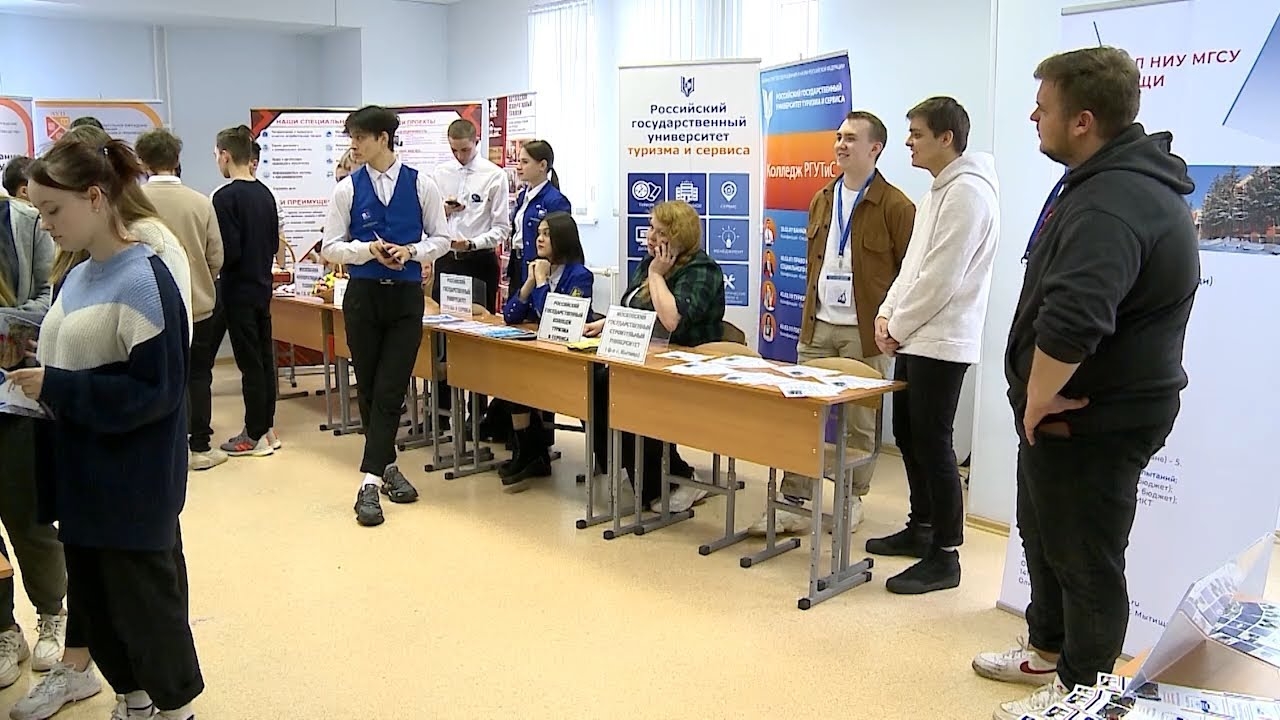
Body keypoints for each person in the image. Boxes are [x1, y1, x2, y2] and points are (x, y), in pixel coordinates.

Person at [978, 47, 1199, 720]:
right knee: (1045, 537)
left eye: (1042, 107)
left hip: (1094, 416)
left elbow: (1074, 319)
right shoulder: (1097, 181)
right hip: (1063, 415)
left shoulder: (1114, 200)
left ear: (1082, 121)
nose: (1032, 117)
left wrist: (1039, 397)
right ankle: (1046, 650)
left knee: (1085, 560)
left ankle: (1081, 694)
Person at [8, 134, 203, 720]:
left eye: (53, 210)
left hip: (133, 482)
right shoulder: (77, 275)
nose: (45, 226)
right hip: (82, 475)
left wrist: (58, 386)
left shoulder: (145, 278)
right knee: (98, 600)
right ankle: (133, 699)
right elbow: (74, 353)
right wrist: (33, 367)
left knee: (146, 605)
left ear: (95, 197)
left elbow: (157, 391)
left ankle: (176, 709)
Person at [747, 110, 916, 537]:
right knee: (803, 412)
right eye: (839, 137)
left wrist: (894, 325)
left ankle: (850, 498)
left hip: (865, 333)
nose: (841, 144)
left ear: (875, 148)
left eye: (851, 138)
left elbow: (909, 274)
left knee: (859, 421)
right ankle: (793, 500)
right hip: (818, 325)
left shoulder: (897, 206)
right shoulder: (823, 197)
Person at [868, 97, 1000, 595]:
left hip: (942, 341)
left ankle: (945, 555)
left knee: (934, 443)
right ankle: (920, 526)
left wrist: (897, 325)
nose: (908, 142)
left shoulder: (968, 193)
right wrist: (886, 314)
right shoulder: (935, 193)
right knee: (907, 435)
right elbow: (912, 269)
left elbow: (942, 278)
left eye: (917, 133)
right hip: (915, 335)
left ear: (947, 138)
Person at [319, 105, 452, 528]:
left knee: (392, 386)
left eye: (360, 137)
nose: (354, 145)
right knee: (370, 386)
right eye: (351, 138)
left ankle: (369, 483)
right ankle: (388, 467)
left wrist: (411, 251)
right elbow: (330, 246)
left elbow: (442, 238)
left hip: (405, 299)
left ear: (383, 138)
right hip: (363, 297)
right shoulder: (346, 189)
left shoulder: (422, 184)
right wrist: (366, 250)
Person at [585, 200, 724, 513]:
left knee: (622, 388)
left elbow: (671, 320)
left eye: (660, 232)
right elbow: (637, 311)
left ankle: (674, 480)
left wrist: (657, 275)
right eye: (651, 228)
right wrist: (606, 323)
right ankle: (629, 464)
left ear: (678, 236)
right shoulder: (649, 263)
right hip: (646, 358)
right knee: (594, 380)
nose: (650, 236)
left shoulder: (701, 269)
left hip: (688, 365)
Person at [0, 192, 68, 691]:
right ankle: (4, 629)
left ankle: (51, 612)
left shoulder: (23, 222)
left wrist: (5, 322)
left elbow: (50, 301)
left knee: (28, 515)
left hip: (13, 395)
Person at [137, 128, 227, 472]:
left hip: (146, 305)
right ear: (177, 160)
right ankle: (199, 445)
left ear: (142, 162)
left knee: (154, 374)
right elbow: (216, 256)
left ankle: (160, 447)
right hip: (198, 304)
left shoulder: (132, 203)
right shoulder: (201, 202)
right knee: (199, 375)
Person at [498, 211, 592, 492]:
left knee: (524, 377)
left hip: (570, 358)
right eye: (538, 233)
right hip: (541, 353)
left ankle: (534, 452)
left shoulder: (580, 276)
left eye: (547, 234)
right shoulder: (537, 269)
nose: (539, 239)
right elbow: (510, 315)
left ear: (563, 238)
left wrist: (540, 282)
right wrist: (529, 283)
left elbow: (556, 318)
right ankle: (528, 450)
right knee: (512, 376)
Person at [430, 119, 511, 432]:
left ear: (476, 142)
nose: (459, 156)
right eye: (454, 150)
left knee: (476, 337)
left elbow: (502, 228)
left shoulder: (494, 175)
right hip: (446, 260)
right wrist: (444, 210)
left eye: (464, 150)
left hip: (477, 260)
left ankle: (476, 416)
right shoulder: (440, 173)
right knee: (441, 336)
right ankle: (439, 413)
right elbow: (430, 218)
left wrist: (473, 242)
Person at [212, 125, 281, 457]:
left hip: (238, 290)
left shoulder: (224, 198)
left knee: (249, 364)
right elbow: (273, 244)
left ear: (225, 155)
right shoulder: (265, 194)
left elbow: (229, 251)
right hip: (262, 287)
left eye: (216, 155)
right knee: (264, 360)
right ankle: (266, 427)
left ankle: (253, 435)